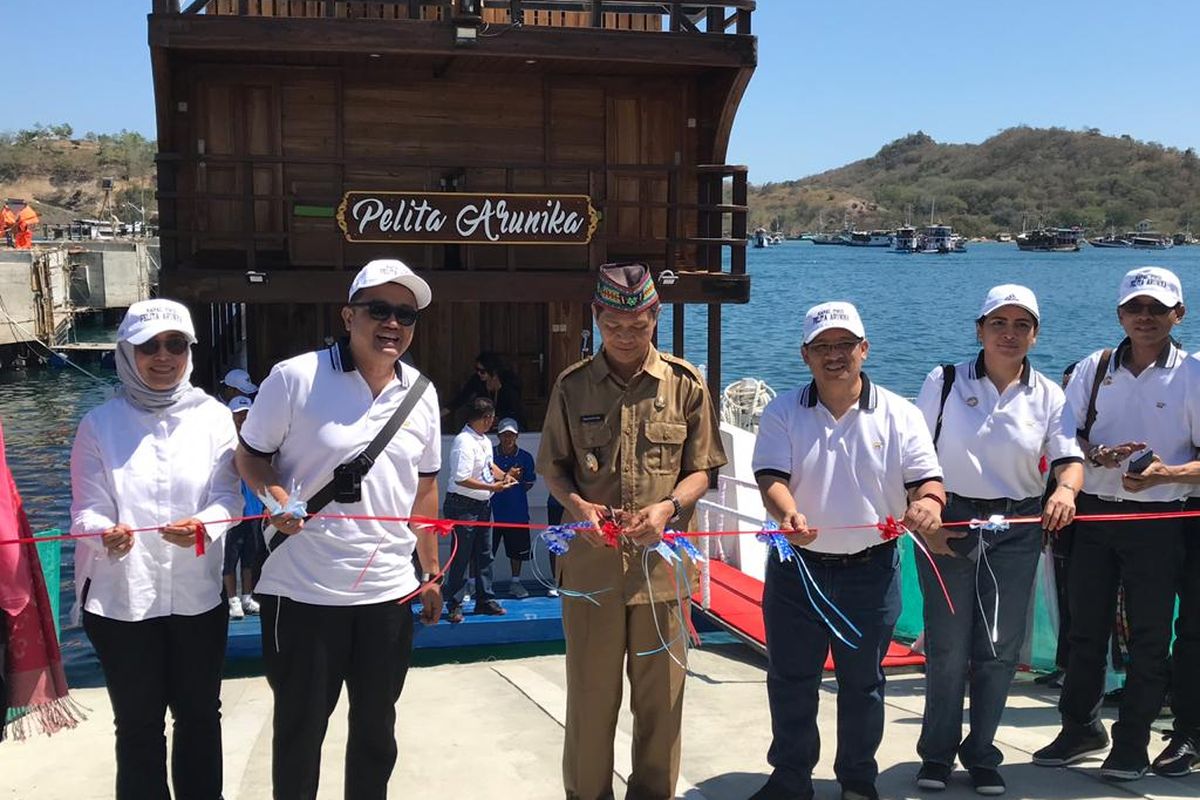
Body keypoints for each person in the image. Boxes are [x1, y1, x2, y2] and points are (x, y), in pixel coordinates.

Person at [234, 258, 444, 799]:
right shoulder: (294, 377)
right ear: (348, 316)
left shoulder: (422, 394)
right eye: (379, 310)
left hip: (388, 595)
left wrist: (431, 570)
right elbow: (250, 458)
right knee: (300, 733)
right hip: (302, 593)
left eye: (406, 313)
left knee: (377, 733)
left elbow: (424, 490)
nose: (393, 323)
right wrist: (275, 499)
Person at [538, 262, 727, 800]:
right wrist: (578, 507)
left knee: (661, 707)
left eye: (638, 325)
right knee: (591, 704)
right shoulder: (571, 387)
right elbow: (552, 467)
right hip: (592, 569)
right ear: (597, 317)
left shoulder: (685, 385)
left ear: (655, 316)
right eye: (615, 325)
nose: (626, 336)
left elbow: (704, 469)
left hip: (662, 574)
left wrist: (668, 507)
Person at [750, 300, 944, 800]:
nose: (833, 356)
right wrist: (786, 513)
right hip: (798, 571)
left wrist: (928, 504)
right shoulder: (782, 411)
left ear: (864, 349)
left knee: (863, 684)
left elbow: (928, 481)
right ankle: (790, 779)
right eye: (822, 347)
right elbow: (771, 477)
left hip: (871, 571)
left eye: (843, 345)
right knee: (792, 680)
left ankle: (857, 781)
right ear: (805, 355)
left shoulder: (901, 414)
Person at [912, 285, 1084, 795]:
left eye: (1021, 325)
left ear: (1035, 334)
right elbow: (914, 457)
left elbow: (1068, 460)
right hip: (952, 521)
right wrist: (929, 515)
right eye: (999, 323)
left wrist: (1068, 491)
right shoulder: (942, 382)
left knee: (998, 647)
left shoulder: (1051, 395)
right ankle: (937, 755)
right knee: (946, 647)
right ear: (979, 329)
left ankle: (982, 752)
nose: (1010, 334)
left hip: (1019, 529)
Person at [70, 298, 242, 799]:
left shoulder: (213, 417)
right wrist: (105, 532)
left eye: (176, 345)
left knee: (200, 718)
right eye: (149, 346)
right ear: (127, 352)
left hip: (198, 597)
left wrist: (206, 527)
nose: (163, 357)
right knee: (138, 726)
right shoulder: (97, 425)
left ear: (190, 351)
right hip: (121, 599)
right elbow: (85, 510)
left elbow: (228, 497)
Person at [1034, 266, 1194, 781]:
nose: (1144, 317)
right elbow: (1066, 439)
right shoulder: (1092, 368)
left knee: (1149, 636)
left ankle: (1132, 744)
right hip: (1097, 518)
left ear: (1179, 314)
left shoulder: (1193, 373)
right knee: (1084, 632)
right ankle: (1080, 727)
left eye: (1156, 309)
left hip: (1163, 520)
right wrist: (1094, 455)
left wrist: (1164, 474)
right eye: (1135, 308)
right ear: (1120, 315)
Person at [441, 397, 515, 622]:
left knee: (485, 553)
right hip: (462, 505)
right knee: (461, 555)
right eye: (492, 418)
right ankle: (454, 602)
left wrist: (505, 476)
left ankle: (485, 599)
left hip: (483, 504)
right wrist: (492, 486)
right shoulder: (464, 442)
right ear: (486, 418)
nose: (492, 422)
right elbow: (461, 478)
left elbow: (487, 465)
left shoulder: (482, 440)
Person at [223, 395, 262, 619]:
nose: (242, 419)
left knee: (251, 554)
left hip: (254, 510)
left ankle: (247, 596)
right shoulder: (225, 441)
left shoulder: (258, 440)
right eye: (238, 415)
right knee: (230, 556)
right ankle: (232, 599)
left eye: (246, 414)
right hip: (232, 512)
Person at [491, 417, 537, 598]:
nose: (507, 438)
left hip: (516, 512)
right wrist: (507, 478)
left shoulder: (525, 457)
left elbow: (529, 482)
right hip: (491, 513)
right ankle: (475, 584)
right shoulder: (489, 454)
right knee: (482, 551)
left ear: (517, 436)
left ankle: (515, 583)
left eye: (511, 435)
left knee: (517, 552)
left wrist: (513, 488)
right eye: (504, 435)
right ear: (498, 436)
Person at [442, 351, 525, 429]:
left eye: (482, 371)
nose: (479, 373)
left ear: (493, 371)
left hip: (507, 423)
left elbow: (515, 408)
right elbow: (460, 399)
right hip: (485, 423)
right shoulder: (476, 380)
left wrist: (499, 419)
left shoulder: (508, 382)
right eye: (477, 370)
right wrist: (440, 414)